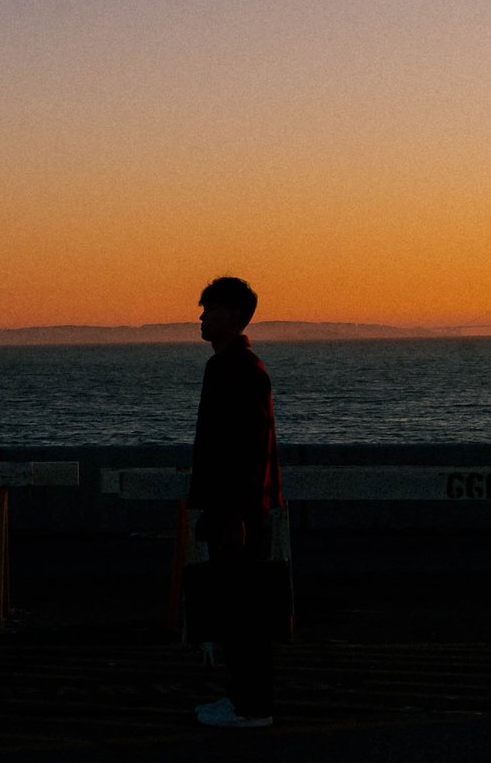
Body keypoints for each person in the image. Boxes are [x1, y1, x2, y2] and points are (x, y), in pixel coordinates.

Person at [188, 275, 283, 729]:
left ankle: (249, 706)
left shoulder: (238, 370)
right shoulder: (236, 366)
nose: (202, 317)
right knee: (239, 608)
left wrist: (235, 515)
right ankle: (244, 699)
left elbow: (243, 449)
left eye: (209, 309)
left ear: (232, 315)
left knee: (242, 611)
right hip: (237, 508)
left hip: (237, 512)